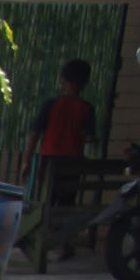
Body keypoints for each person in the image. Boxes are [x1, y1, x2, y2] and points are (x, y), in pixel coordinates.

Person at [31, 60, 97, 268]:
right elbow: (89, 137)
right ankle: (64, 243)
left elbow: (35, 134)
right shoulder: (87, 108)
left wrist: (25, 161)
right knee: (66, 204)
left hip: (48, 161)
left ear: (64, 80)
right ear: (85, 83)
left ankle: (46, 245)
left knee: (45, 203)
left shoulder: (51, 105)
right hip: (72, 163)